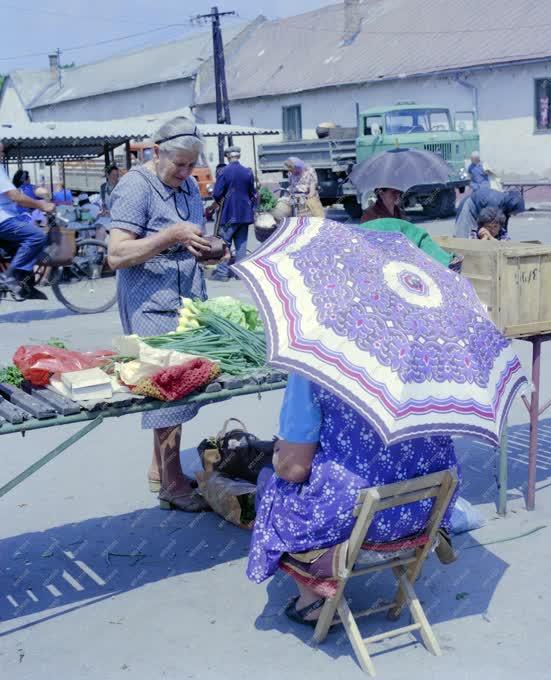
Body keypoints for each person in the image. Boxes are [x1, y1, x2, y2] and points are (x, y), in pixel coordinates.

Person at [247, 373, 460, 623]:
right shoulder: (437, 364)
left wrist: (277, 456)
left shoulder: (314, 367)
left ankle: (313, 601)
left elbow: (293, 469)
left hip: (356, 524)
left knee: (270, 484)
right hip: (422, 518)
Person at [107, 116, 218, 512]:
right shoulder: (136, 186)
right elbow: (117, 254)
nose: (187, 174)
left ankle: (160, 468)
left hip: (183, 299)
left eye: (192, 165)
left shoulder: (186, 184)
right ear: (157, 153)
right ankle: (172, 485)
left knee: (180, 386)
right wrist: (169, 236)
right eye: (180, 165)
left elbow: (192, 235)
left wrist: (211, 248)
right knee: (168, 390)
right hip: (149, 301)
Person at [0, 142, 55, 300]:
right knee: (37, 236)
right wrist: (41, 205)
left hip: (9, 217)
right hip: (3, 220)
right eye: (1, 152)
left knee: (22, 249)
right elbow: (16, 197)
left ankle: (26, 286)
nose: (3, 155)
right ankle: (10, 276)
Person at [211, 146, 256, 282]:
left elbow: (217, 193)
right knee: (241, 245)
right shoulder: (248, 172)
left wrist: (221, 201)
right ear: (239, 156)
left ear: (228, 157)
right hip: (244, 214)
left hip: (228, 214)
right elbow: (252, 193)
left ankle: (222, 273)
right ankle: (240, 274)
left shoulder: (223, 172)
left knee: (224, 243)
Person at [455, 187, 524, 239]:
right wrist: (484, 235)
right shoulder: (494, 203)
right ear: (511, 207)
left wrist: (503, 236)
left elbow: (502, 225)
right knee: (462, 234)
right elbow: (484, 222)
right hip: (470, 205)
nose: (515, 214)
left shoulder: (506, 205)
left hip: (482, 206)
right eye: (515, 212)